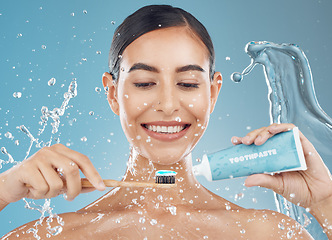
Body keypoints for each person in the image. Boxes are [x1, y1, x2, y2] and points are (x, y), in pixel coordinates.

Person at [1, 4, 331, 239]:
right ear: (113, 93)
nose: (168, 105)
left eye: (187, 84)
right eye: (145, 83)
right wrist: (3, 190)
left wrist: (324, 202)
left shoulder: (269, 234)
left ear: (213, 92)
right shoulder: (50, 236)